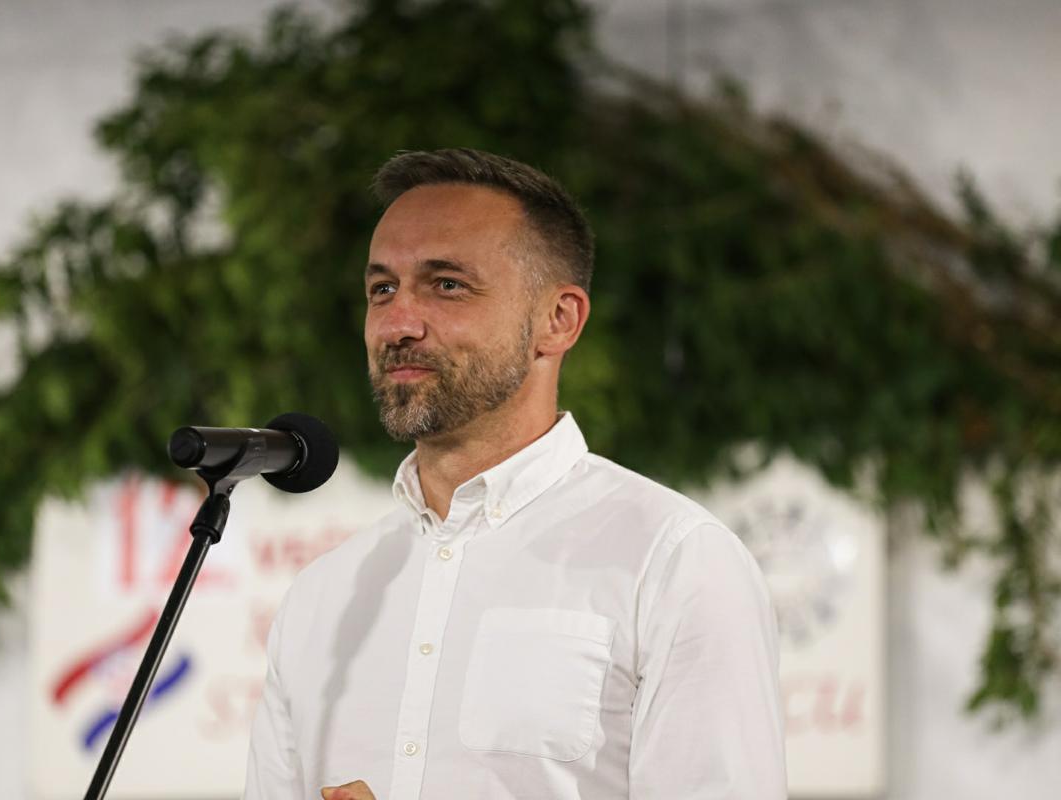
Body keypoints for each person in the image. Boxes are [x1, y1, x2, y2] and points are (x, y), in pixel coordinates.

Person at [243, 148, 786, 800]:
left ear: (559, 321)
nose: (398, 323)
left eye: (447, 285)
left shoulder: (673, 561)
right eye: (382, 289)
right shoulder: (324, 596)